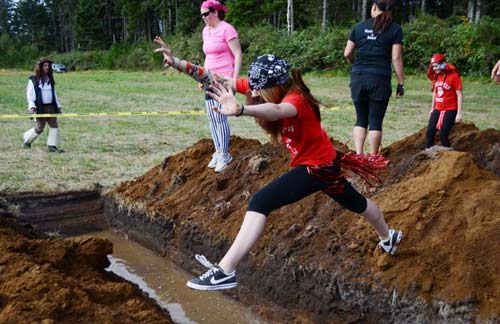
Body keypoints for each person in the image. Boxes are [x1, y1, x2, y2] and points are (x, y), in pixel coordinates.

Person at [154, 38, 403, 291]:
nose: (253, 94)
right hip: (324, 164)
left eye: (258, 91)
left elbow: (275, 110)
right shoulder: (266, 87)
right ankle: (388, 236)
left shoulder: (296, 100)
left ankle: (225, 270)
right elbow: (214, 78)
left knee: (260, 202)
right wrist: (177, 63)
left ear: (275, 86)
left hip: (317, 168)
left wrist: (241, 110)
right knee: (357, 204)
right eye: (252, 89)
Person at [344, 0, 405, 155]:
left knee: (361, 120)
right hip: (380, 79)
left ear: (374, 7)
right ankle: (373, 157)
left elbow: (347, 53)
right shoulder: (395, 29)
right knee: (376, 122)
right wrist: (400, 82)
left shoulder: (359, 27)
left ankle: (359, 155)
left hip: (358, 77)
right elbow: (396, 58)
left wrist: (354, 63)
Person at [199, 0, 242, 172]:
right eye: (201, 15)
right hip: (209, 78)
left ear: (215, 12)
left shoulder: (227, 29)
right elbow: (208, 57)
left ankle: (225, 155)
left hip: (224, 79)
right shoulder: (206, 31)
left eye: (205, 14)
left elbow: (238, 54)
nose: (203, 18)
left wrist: (234, 80)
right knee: (211, 117)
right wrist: (201, 78)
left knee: (220, 117)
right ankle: (218, 151)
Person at [23, 57, 64, 153]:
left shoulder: (50, 78)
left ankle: (52, 146)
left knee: (54, 125)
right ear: (40, 67)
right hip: (41, 107)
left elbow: (54, 93)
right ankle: (27, 141)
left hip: (51, 107)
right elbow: (30, 95)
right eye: (45, 65)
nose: (47, 67)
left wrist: (58, 105)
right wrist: (32, 106)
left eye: (48, 65)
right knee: (40, 128)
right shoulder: (33, 80)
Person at [425, 54, 463, 148]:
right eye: (433, 66)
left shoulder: (454, 76)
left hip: (450, 109)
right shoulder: (437, 76)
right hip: (438, 108)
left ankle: (448, 156)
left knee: (443, 134)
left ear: (443, 64)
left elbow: (459, 94)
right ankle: (428, 154)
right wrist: (432, 108)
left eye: (436, 66)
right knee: (429, 132)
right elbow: (435, 92)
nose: (434, 69)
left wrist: (459, 113)